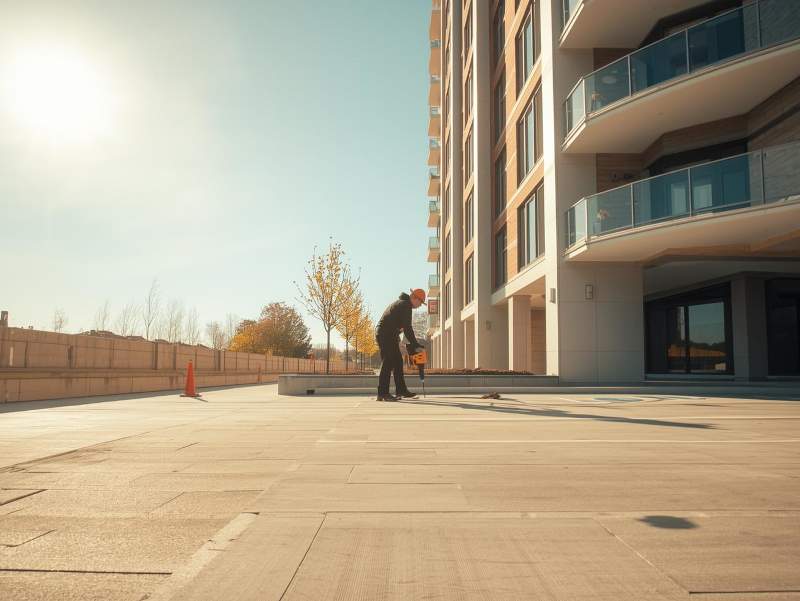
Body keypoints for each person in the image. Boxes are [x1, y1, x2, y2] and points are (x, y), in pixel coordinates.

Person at [375, 288, 425, 401]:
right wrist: (416, 344)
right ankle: (382, 393)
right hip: (385, 334)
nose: (420, 305)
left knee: (398, 361)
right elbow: (408, 327)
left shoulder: (402, 304)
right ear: (414, 298)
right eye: (420, 302)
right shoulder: (405, 305)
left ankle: (401, 390)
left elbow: (398, 324)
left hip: (389, 335)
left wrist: (400, 341)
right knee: (388, 362)